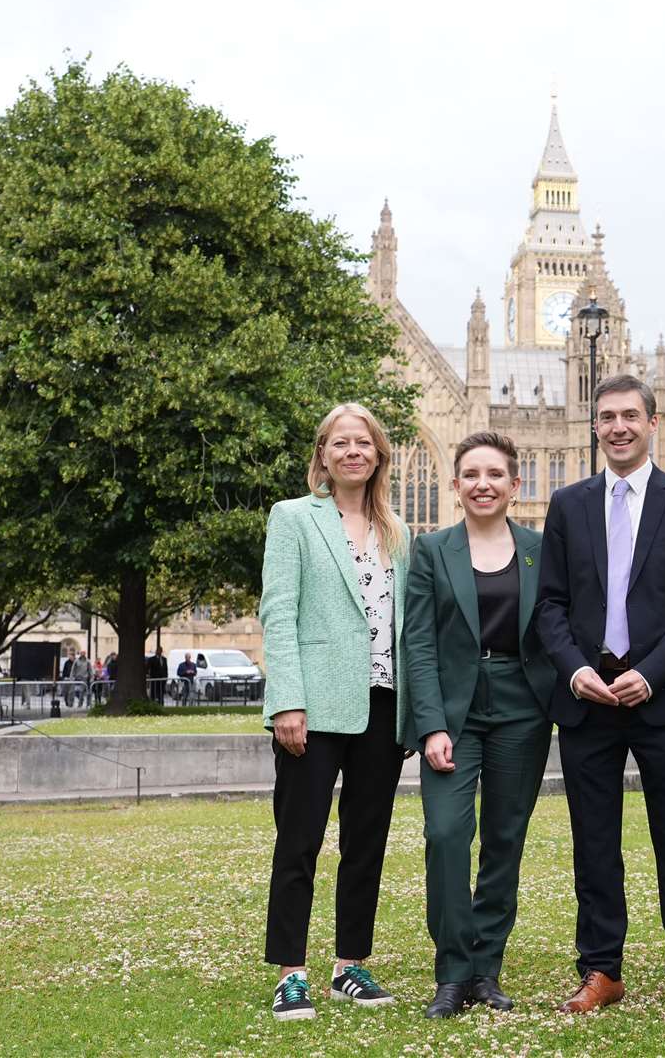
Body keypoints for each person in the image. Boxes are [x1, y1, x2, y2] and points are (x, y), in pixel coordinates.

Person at [535, 374, 665, 1016]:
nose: (618, 426)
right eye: (607, 417)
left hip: (659, 697)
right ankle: (601, 969)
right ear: (595, 427)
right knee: (594, 839)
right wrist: (573, 669)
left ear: (652, 423)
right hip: (587, 698)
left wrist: (655, 672)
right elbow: (551, 605)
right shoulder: (568, 503)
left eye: (630, 416)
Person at [259, 402, 412, 1022]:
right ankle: (290, 971)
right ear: (322, 455)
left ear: (378, 454)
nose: (353, 452)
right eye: (340, 442)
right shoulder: (293, 518)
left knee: (366, 842)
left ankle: (350, 965)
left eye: (364, 443)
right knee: (299, 840)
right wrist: (286, 701)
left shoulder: (397, 531)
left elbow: (406, 626)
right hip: (314, 705)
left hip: (382, 704)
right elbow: (279, 612)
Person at [402, 432, 556, 1019]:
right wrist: (430, 724)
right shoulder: (432, 551)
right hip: (453, 714)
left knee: (503, 841)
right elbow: (417, 641)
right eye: (471, 475)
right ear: (456, 484)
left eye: (495, 474)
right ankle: (452, 971)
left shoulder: (541, 550)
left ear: (515, 486)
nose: (482, 484)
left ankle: (486, 970)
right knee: (445, 835)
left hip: (523, 707)